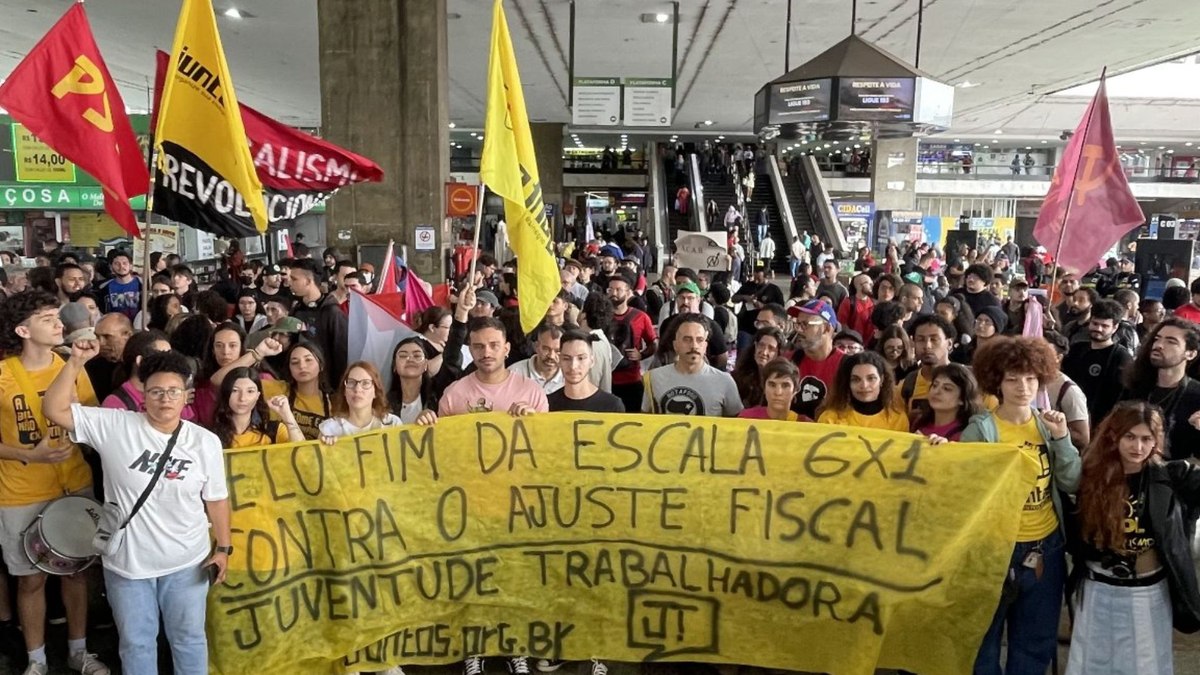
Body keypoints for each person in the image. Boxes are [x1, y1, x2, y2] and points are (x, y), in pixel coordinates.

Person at [44, 348, 228, 675]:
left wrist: (224, 548)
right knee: (137, 642)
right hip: (128, 564)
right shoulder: (115, 425)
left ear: (186, 395)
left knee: (189, 638)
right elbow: (54, 409)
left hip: (187, 560)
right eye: (156, 391)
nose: (165, 399)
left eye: (173, 391)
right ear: (143, 393)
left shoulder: (204, 442)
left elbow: (216, 498)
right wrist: (74, 362)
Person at [0, 291, 107, 675]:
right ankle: (37, 660)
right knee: (30, 580)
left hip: (74, 484)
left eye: (56, 316)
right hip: (19, 491)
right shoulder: (2, 374)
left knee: (76, 573)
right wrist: (30, 454)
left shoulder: (72, 362)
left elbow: (94, 421)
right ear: (23, 330)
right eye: (46, 318)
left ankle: (79, 652)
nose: (58, 322)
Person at [962, 336, 1079, 675]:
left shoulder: (1048, 424)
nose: (1022, 386)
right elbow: (969, 492)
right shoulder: (980, 430)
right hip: (995, 548)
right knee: (984, 637)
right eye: (1012, 378)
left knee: (1036, 640)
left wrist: (1062, 439)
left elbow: (1072, 482)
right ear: (996, 381)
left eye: (1029, 378)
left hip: (1047, 545)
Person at [1068, 401, 1200, 674]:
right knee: (1091, 663)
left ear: (1156, 441)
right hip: (1097, 588)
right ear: (1114, 436)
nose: (1137, 447)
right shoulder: (1090, 475)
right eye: (1130, 437)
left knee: (1146, 665)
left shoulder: (1170, 475)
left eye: (1146, 439)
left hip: (1148, 592)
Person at [1119, 317, 1200, 458]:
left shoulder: (1196, 395)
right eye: (1157, 339)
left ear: (1190, 354)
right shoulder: (1135, 386)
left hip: (1172, 474)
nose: (1159, 345)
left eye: (1171, 341)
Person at [439, 317, 549, 418]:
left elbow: (545, 435)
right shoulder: (453, 393)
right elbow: (441, 436)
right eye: (479, 347)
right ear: (471, 350)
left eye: (494, 345)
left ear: (506, 349)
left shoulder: (533, 392)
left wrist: (534, 421)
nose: (486, 353)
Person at [643, 314, 742, 417]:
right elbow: (646, 420)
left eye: (699, 340)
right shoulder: (654, 378)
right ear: (675, 345)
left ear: (705, 346)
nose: (694, 346)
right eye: (687, 339)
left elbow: (735, 425)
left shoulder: (725, 381)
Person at [1061, 298, 1133, 428]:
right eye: (1095, 323)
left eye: (1105, 326)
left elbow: (1121, 397)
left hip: (1100, 424)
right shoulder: (1077, 349)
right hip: (1069, 419)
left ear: (1115, 327)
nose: (1098, 329)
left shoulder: (1121, 357)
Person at [289, 259, 348, 390]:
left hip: (327, 384)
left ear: (309, 281)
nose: (290, 283)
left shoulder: (333, 312)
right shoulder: (296, 310)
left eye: (294, 279)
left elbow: (341, 354)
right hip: (300, 381)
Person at [212, 367, 306, 448]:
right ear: (226, 393)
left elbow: (303, 455)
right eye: (235, 390)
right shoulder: (212, 436)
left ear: (258, 395)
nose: (242, 398)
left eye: (250, 391)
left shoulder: (273, 431)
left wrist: (287, 416)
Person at [817, 351, 909, 431]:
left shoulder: (898, 419)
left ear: (881, 380)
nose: (864, 385)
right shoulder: (830, 418)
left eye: (871, 378)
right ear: (847, 383)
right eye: (856, 379)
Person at [607, 270, 657, 412]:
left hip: (631, 380)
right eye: (610, 289)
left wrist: (642, 354)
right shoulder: (601, 316)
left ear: (628, 293)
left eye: (618, 289)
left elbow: (654, 344)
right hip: (605, 380)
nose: (614, 293)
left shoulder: (641, 317)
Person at [319, 362, 404, 444]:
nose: (357, 389)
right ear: (344, 391)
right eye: (351, 382)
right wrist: (325, 448)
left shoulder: (393, 424)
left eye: (365, 383)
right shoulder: (329, 429)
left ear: (376, 391)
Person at [261, 342, 332, 440]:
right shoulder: (276, 389)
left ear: (321, 365)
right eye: (295, 362)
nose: (302, 366)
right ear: (289, 368)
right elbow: (234, 378)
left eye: (308, 360)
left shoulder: (333, 402)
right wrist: (258, 353)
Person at [787, 300, 844, 420]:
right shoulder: (788, 360)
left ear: (826, 328)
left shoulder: (846, 365)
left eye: (805, 324)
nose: (799, 330)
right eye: (797, 324)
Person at [897, 314, 956, 425]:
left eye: (934, 339)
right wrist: (907, 420)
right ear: (913, 343)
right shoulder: (905, 386)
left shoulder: (967, 381)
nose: (927, 345)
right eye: (921, 339)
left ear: (949, 343)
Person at [547, 330, 625, 413]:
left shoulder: (612, 405)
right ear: (559, 360)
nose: (573, 366)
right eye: (566, 358)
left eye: (581, 358)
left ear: (592, 361)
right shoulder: (547, 403)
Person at [912, 364, 982, 441]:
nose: (936, 391)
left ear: (962, 399)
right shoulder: (919, 424)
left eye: (947, 388)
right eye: (935, 385)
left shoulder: (968, 433)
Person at [732, 327, 787, 408]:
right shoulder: (738, 377)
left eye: (771, 348)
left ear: (779, 353)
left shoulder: (783, 382)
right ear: (755, 346)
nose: (764, 352)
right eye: (761, 345)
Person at [738, 358, 808, 421]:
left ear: (795, 390)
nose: (778, 392)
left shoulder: (806, 425)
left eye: (785, 386)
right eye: (772, 385)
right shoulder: (746, 418)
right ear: (764, 388)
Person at [509, 323, 565, 395]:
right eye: (546, 349)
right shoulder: (514, 373)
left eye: (558, 351)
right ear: (536, 346)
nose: (551, 356)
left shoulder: (569, 375)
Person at [98, 250, 140, 321]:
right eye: (117, 264)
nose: (121, 266)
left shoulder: (142, 284)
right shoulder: (104, 288)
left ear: (131, 266)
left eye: (125, 263)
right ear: (111, 267)